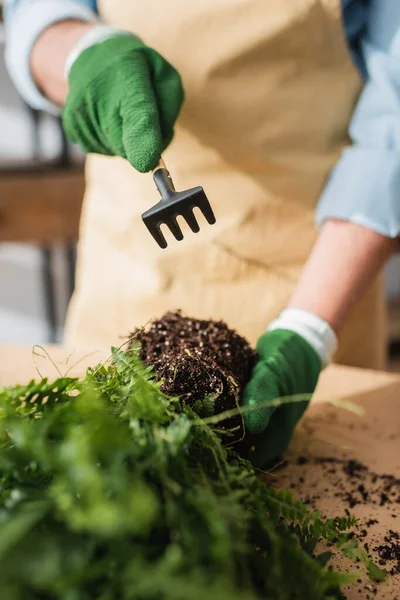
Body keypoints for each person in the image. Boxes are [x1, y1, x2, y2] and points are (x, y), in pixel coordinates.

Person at [4, 0, 400, 466]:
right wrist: (82, 52)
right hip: (128, 269)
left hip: (323, 269)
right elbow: (34, 10)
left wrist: (310, 330)